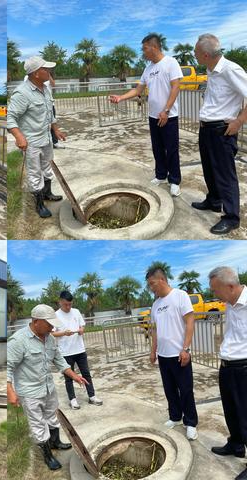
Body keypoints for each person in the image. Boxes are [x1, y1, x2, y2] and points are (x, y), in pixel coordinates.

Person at [7, 304, 89, 470]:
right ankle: (47, 455)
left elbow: (59, 360)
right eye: (49, 323)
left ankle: (55, 442)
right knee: (38, 425)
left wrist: (75, 376)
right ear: (36, 321)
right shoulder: (18, 341)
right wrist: (10, 391)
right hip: (30, 392)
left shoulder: (50, 338)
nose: (52, 326)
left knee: (52, 416)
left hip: (48, 387)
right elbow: (8, 367)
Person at [110, 34, 183, 197]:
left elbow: (175, 87)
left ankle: (175, 181)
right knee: (157, 148)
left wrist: (166, 110)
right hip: (153, 116)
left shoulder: (171, 63)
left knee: (171, 149)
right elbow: (138, 90)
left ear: (154, 47)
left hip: (168, 116)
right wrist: (121, 97)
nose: (143, 52)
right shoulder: (148, 68)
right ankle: (161, 175)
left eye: (145, 48)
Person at [191, 34, 247, 235]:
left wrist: (239, 121)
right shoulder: (211, 69)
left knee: (225, 175)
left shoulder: (230, 69)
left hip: (221, 130)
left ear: (205, 54)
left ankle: (232, 218)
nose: (194, 55)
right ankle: (214, 201)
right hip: (207, 128)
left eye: (196, 52)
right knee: (209, 169)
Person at [7, 56, 66, 218]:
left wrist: (56, 130)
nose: (49, 72)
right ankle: (39, 204)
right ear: (36, 73)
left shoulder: (45, 89)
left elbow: (49, 113)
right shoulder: (22, 93)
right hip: (31, 142)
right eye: (45, 69)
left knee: (47, 167)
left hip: (46, 138)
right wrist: (19, 136)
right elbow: (11, 118)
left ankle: (47, 194)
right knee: (34, 173)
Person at [146, 267, 198, 441]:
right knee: (169, 389)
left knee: (186, 390)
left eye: (152, 284)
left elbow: (190, 322)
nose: (151, 288)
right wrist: (153, 350)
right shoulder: (156, 304)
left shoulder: (180, 296)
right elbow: (155, 330)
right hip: (163, 355)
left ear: (161, 280)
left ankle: (190, 423)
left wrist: (186, 349)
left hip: (179, 354)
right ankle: (175, 417)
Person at [208, 267, 247, 479]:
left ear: (230, 286)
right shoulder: (230, 303)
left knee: (245, 415)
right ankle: (236, 445)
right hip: (227, 366)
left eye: (216, 290)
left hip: (244, 368)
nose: (214, 295)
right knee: (231, 411)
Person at [52, 290, 102, 409]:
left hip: (79, 349)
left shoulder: (76, 312)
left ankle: (92, 396)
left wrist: (81, 330)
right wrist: (64, 333)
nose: (68, 307)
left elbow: (82, 325)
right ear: (60, 302)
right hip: (66, 351)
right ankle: (72, 399)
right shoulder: (56, 315)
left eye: (70, 304)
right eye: (66, 304)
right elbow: (52, 333)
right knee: (69, 377)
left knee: (86, 373)